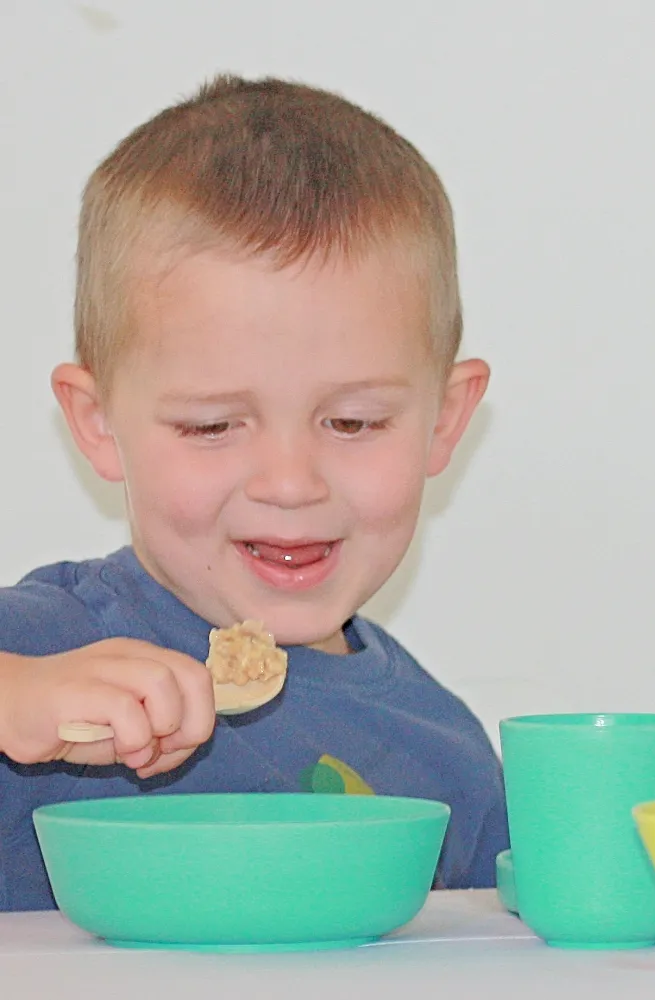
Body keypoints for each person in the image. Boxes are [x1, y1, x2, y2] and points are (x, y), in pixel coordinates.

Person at [0, 74, 509, 911]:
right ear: (98, 423)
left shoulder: (446, 751)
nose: (288, 484)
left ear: (444, 420)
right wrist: (15, 697)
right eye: (210, 427)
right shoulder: (51, 649)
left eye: (352, 423)